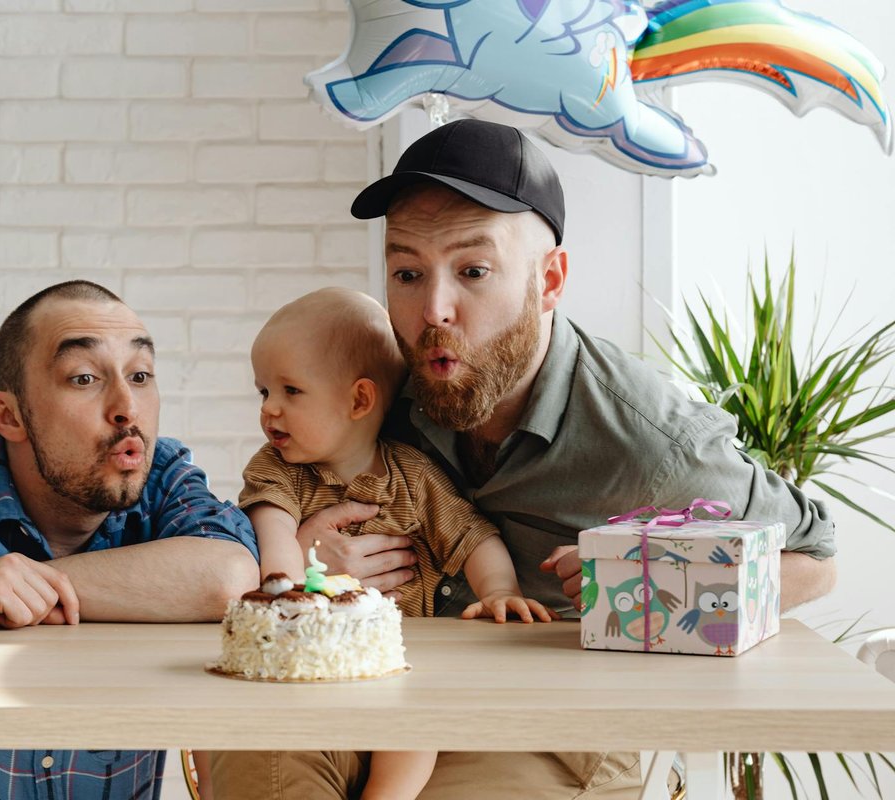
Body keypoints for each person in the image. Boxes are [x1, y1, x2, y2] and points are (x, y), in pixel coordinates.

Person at [214, 120, 838, 799]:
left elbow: (817, 558)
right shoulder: (381, 384)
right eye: (407, 273)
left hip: (538, 728)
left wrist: (648, 583)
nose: (433, 310)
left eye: (473, 271)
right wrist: (310, 558)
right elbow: (280, 494)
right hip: (369, 684)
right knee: (256, 760)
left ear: (549, 281)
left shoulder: (650, 441)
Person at [0, 280, 259, 800]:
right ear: (8, 416)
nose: (127, 407)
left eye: (141, 375)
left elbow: (229, 578)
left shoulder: (161, 480)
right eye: (84, 378)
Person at [205, 287, 555, 800]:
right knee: (262, 726)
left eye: (290, 391)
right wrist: (285, 588)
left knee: (416, 730)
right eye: (263, 392)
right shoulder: (277, 469)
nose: (270, 410)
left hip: (399, 659)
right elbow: (272, 526)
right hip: (315, 654)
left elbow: (471, 535)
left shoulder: (412, 475)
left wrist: (499, 589)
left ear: (360, 400)